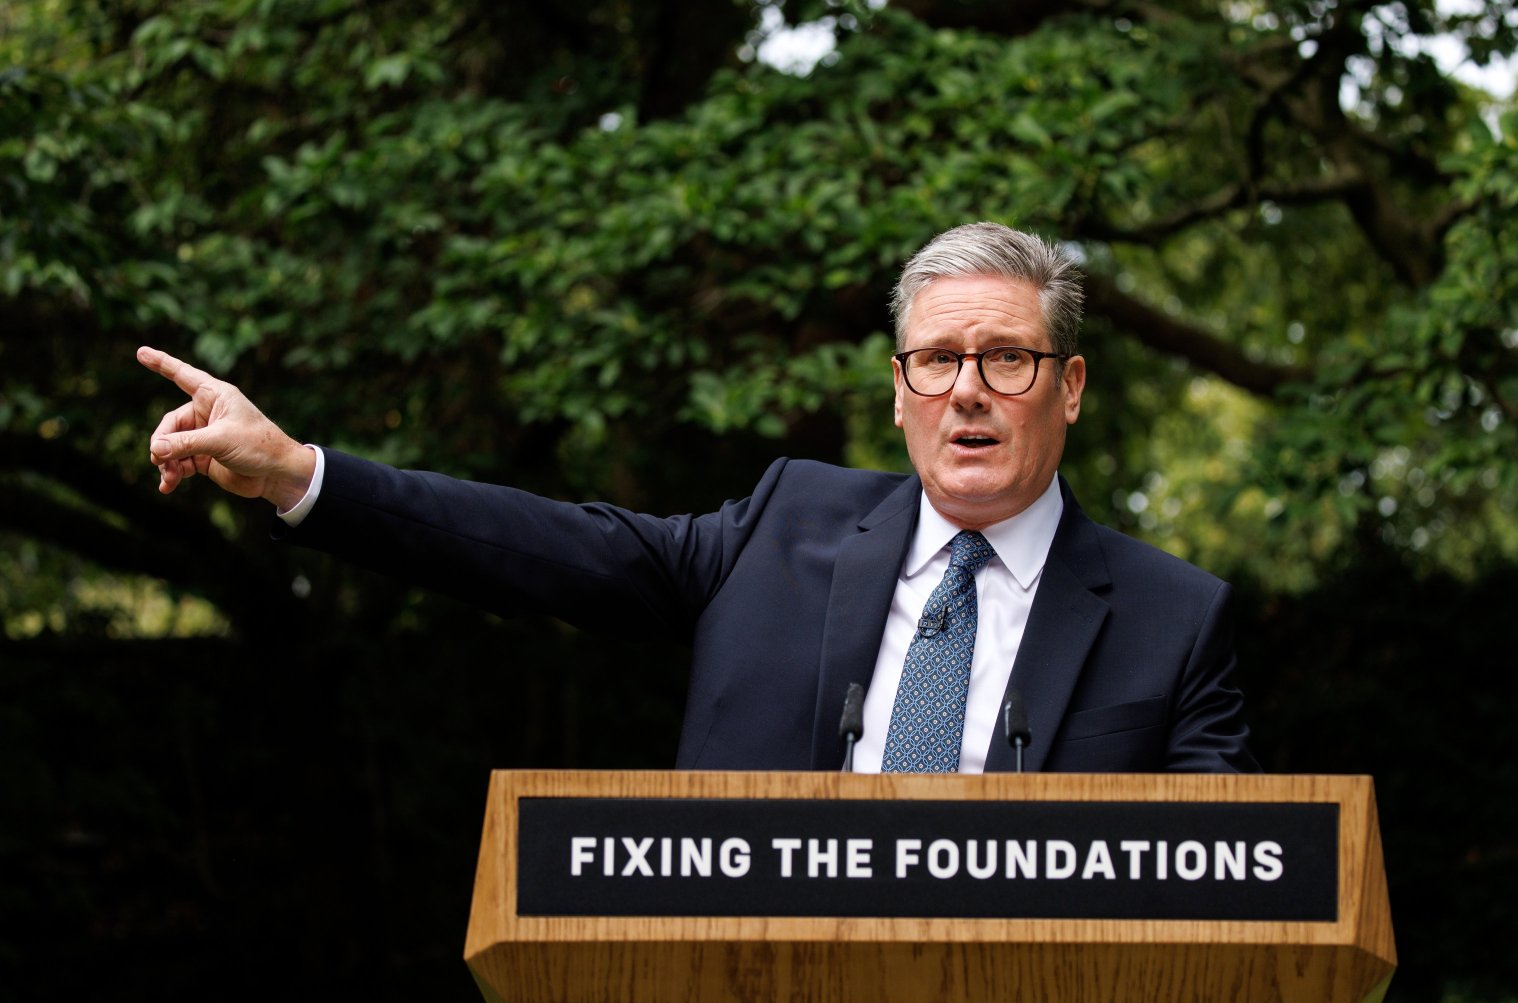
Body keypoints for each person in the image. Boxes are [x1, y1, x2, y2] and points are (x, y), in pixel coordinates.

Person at [140, 222, 1257, 774]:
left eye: (1005, 359)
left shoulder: (1175, 619)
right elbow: (539, 547)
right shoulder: (779, 528)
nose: (966, 391)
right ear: (899, 388)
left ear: (1067, 388)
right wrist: (300, 473)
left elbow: (1232, 910)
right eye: (935, 360)